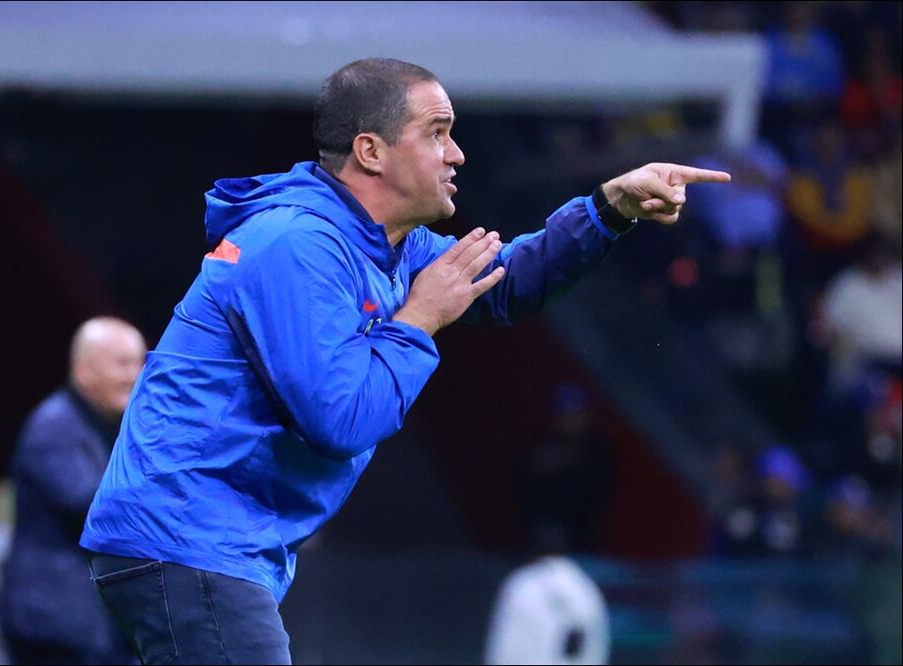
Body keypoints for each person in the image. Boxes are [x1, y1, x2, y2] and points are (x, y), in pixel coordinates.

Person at [80, 58, 730, 665]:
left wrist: (608, 207)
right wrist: (417, 317)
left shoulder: (386, 245)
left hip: (212, 543)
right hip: (184, 534)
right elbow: (340, 419)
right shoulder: (295, 245)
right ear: (370, 150)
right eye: (436, 132)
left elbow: (501, 282)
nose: (457, 154)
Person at [2, 317, 146, 665]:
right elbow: (92, 508)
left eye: (141, 363)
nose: (135, 375)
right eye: (123, 363)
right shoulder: (54, 427)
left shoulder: (111, 428)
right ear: (83, 371)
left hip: (90, 623)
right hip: (53, 623)